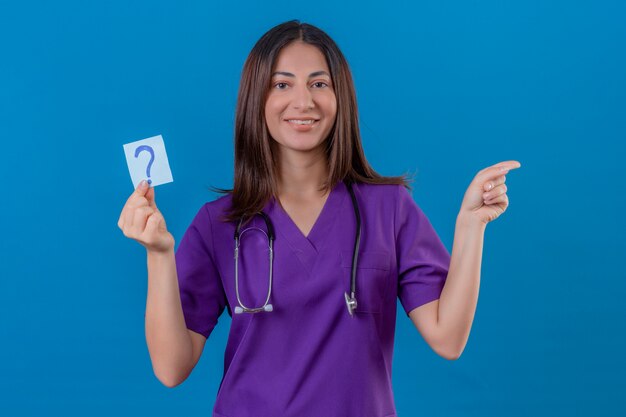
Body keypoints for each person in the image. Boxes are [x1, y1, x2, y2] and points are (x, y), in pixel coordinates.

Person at [117, 20, 521, 417]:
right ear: (255, 98)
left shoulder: (388, 208)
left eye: (318, 83)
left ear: (340, 96)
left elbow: (448, 339)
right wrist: (158, 253)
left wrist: (471, 225)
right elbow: (171, 368)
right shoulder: (219, 223)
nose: (303, 102)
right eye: (282, 84)